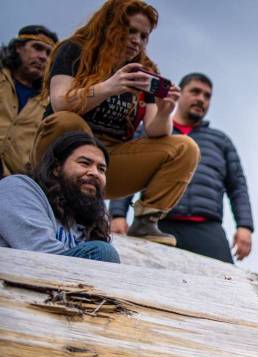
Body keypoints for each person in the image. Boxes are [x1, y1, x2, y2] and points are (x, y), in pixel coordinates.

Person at [34, 0, 199, 246]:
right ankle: (53, 200)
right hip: (61, 154)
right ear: (109, 25)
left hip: (107, 162)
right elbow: (60, 103)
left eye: (144, 36)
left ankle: (146, 221)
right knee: (66, 121)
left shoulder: (144, 70)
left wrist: (165, 111)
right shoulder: (74, 50)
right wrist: (108, 87)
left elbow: (156, 130)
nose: (137, 40)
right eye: (130, 31)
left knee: (185, 147)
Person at [109, 73, 254, 262]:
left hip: (207, 228)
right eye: (195, 92)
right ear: (179, 93)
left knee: (227, 284)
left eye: (207, 96)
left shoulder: (220, 141)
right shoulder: (152, 131)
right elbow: (130, 171)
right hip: (156, 223)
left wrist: (244, 226)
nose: (201, 99)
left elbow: (237, 187)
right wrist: (117, 215)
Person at [0, 130, 119, 263]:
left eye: (101, 169)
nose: (94, 173)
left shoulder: (89, 221)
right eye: (84, 163)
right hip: (19, 277)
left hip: (66, 280)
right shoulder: (18, 189)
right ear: (57, 168)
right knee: (103, 253)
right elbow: (40, 256)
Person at [1, 26, 58, 177]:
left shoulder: (51, 104)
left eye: (49, 54)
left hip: (13, 184)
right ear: (18, 47)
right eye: (37, 48)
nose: (43, 57)